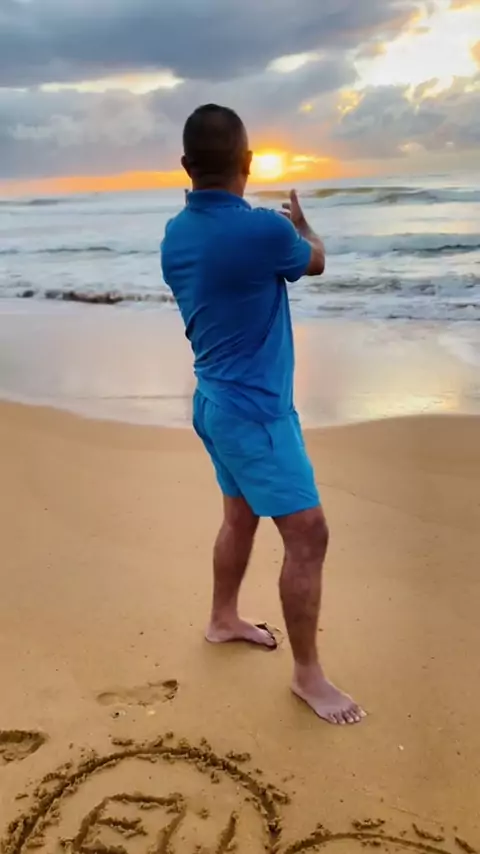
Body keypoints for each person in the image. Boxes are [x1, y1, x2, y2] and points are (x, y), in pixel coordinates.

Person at [161, 104, 365, 725]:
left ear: (186, 166)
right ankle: (307, 675)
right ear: (248, 162)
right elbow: (315, 261)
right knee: (309, 534)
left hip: (213, 403)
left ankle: (223, 619)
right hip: (256, 415)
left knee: (240, 516)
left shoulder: (176, 233)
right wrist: (304, 226)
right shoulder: (262, 232)